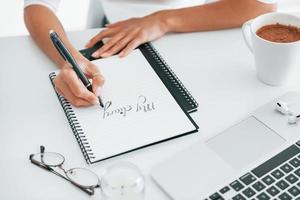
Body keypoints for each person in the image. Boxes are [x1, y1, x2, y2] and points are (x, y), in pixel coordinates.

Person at [24, 0, 276, 107]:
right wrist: (70, 59)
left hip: (197, 26)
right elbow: (37, 6)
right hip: (115, 32)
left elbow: (260, 5)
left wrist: (163, 20)